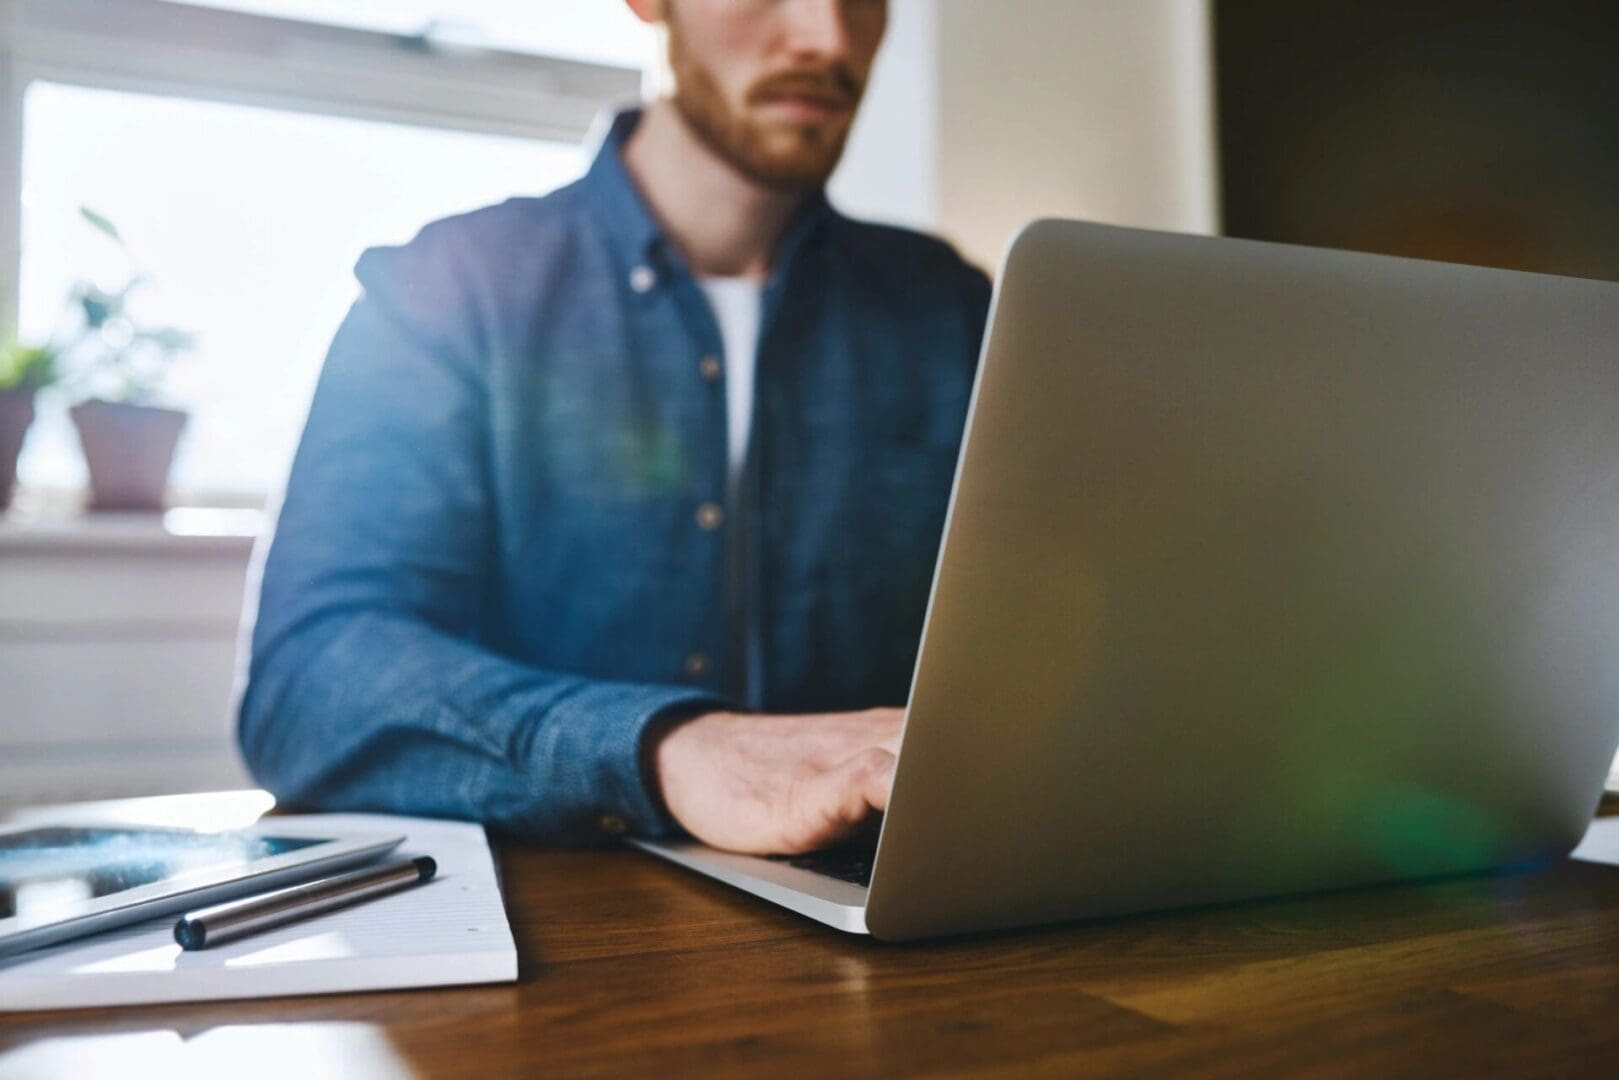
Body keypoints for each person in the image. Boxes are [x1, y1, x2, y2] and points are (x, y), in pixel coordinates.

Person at [237, 0, 989, 856]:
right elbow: (309, 686)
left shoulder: (950, 310)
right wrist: (669, 748)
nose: (825, 37)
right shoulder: (448, 289)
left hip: (891, 935)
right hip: (559, 942)